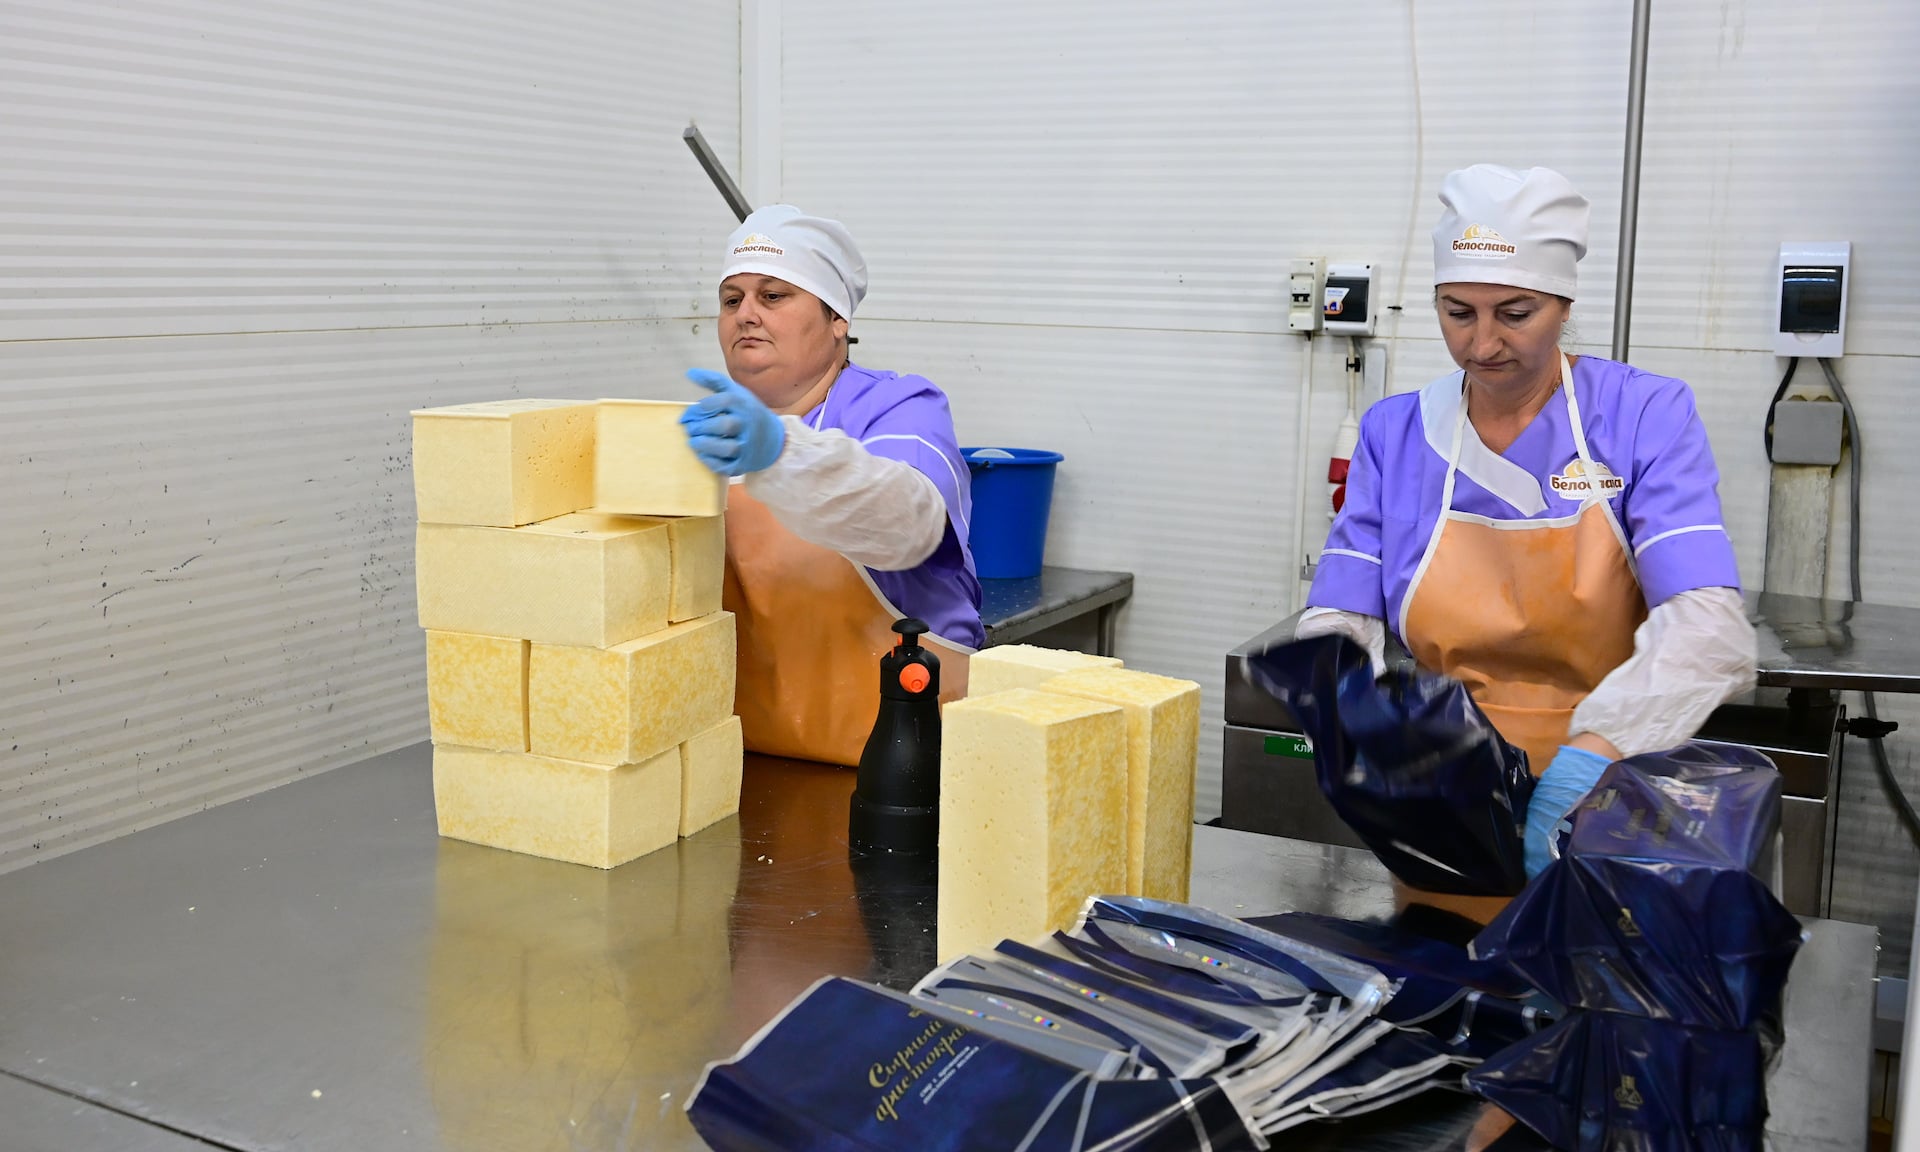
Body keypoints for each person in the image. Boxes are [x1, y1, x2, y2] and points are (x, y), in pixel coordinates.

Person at [1299, 164, 1758, 884]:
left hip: (1611, 791)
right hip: (1450, 801)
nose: (1482, 345)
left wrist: (1589, 762)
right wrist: (1363, 733)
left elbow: (1709, 630)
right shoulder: (1396, 434)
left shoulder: (1643, 416)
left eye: (1515, 314)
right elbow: (1338, 622)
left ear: (1563, 304)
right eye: (1457, 312)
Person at [678, 205, 982, 767]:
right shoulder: (712, 432)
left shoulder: (898, 408)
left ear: (837, 318)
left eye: (773, 296)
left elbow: (909, 524)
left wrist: (781, 455)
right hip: (750, 755)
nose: (746, 315)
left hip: (908, 758)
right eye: (731, 299)